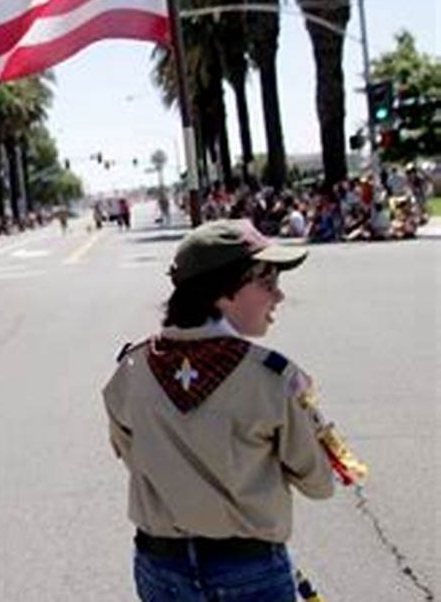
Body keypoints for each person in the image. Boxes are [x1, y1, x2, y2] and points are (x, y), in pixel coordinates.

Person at [103, 220, 335, 601]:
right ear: (223, 292)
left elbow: (134, 456)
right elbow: (319, 483)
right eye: (267, 283)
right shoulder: (272, 378)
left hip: (161, 567)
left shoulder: (131, 370)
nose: (279, 296)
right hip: (248, 570)